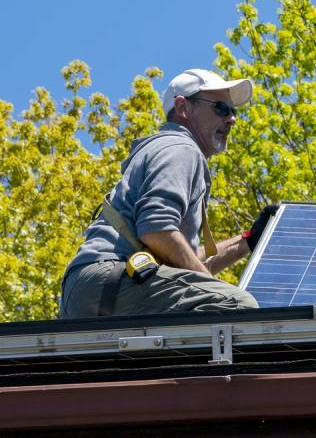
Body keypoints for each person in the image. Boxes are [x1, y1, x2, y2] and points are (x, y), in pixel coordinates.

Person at [60, 68, 277, 318]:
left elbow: (177, 256)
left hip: (95, 288)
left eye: (233, 111)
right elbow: (156, 230)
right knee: (238, 307)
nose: (231, 119)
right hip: (111, 277)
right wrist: (215, 287)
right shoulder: (181, 148)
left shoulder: (168, 149)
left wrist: (247, 242)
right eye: (220, 108)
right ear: (183, 107)